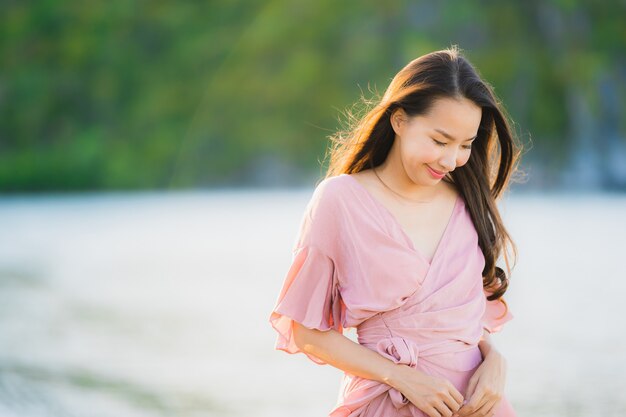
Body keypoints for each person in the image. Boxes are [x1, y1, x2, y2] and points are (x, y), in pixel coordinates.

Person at [268, 45, 523, 417]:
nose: (451, 160)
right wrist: (399, 377)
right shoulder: (341, 200)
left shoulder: (466, 200)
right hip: (390, 404)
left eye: (465, 145)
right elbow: (306, 333)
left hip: (478, 406)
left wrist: (495, 360)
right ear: (400, 120)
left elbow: (456, 320)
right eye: (439, 141)